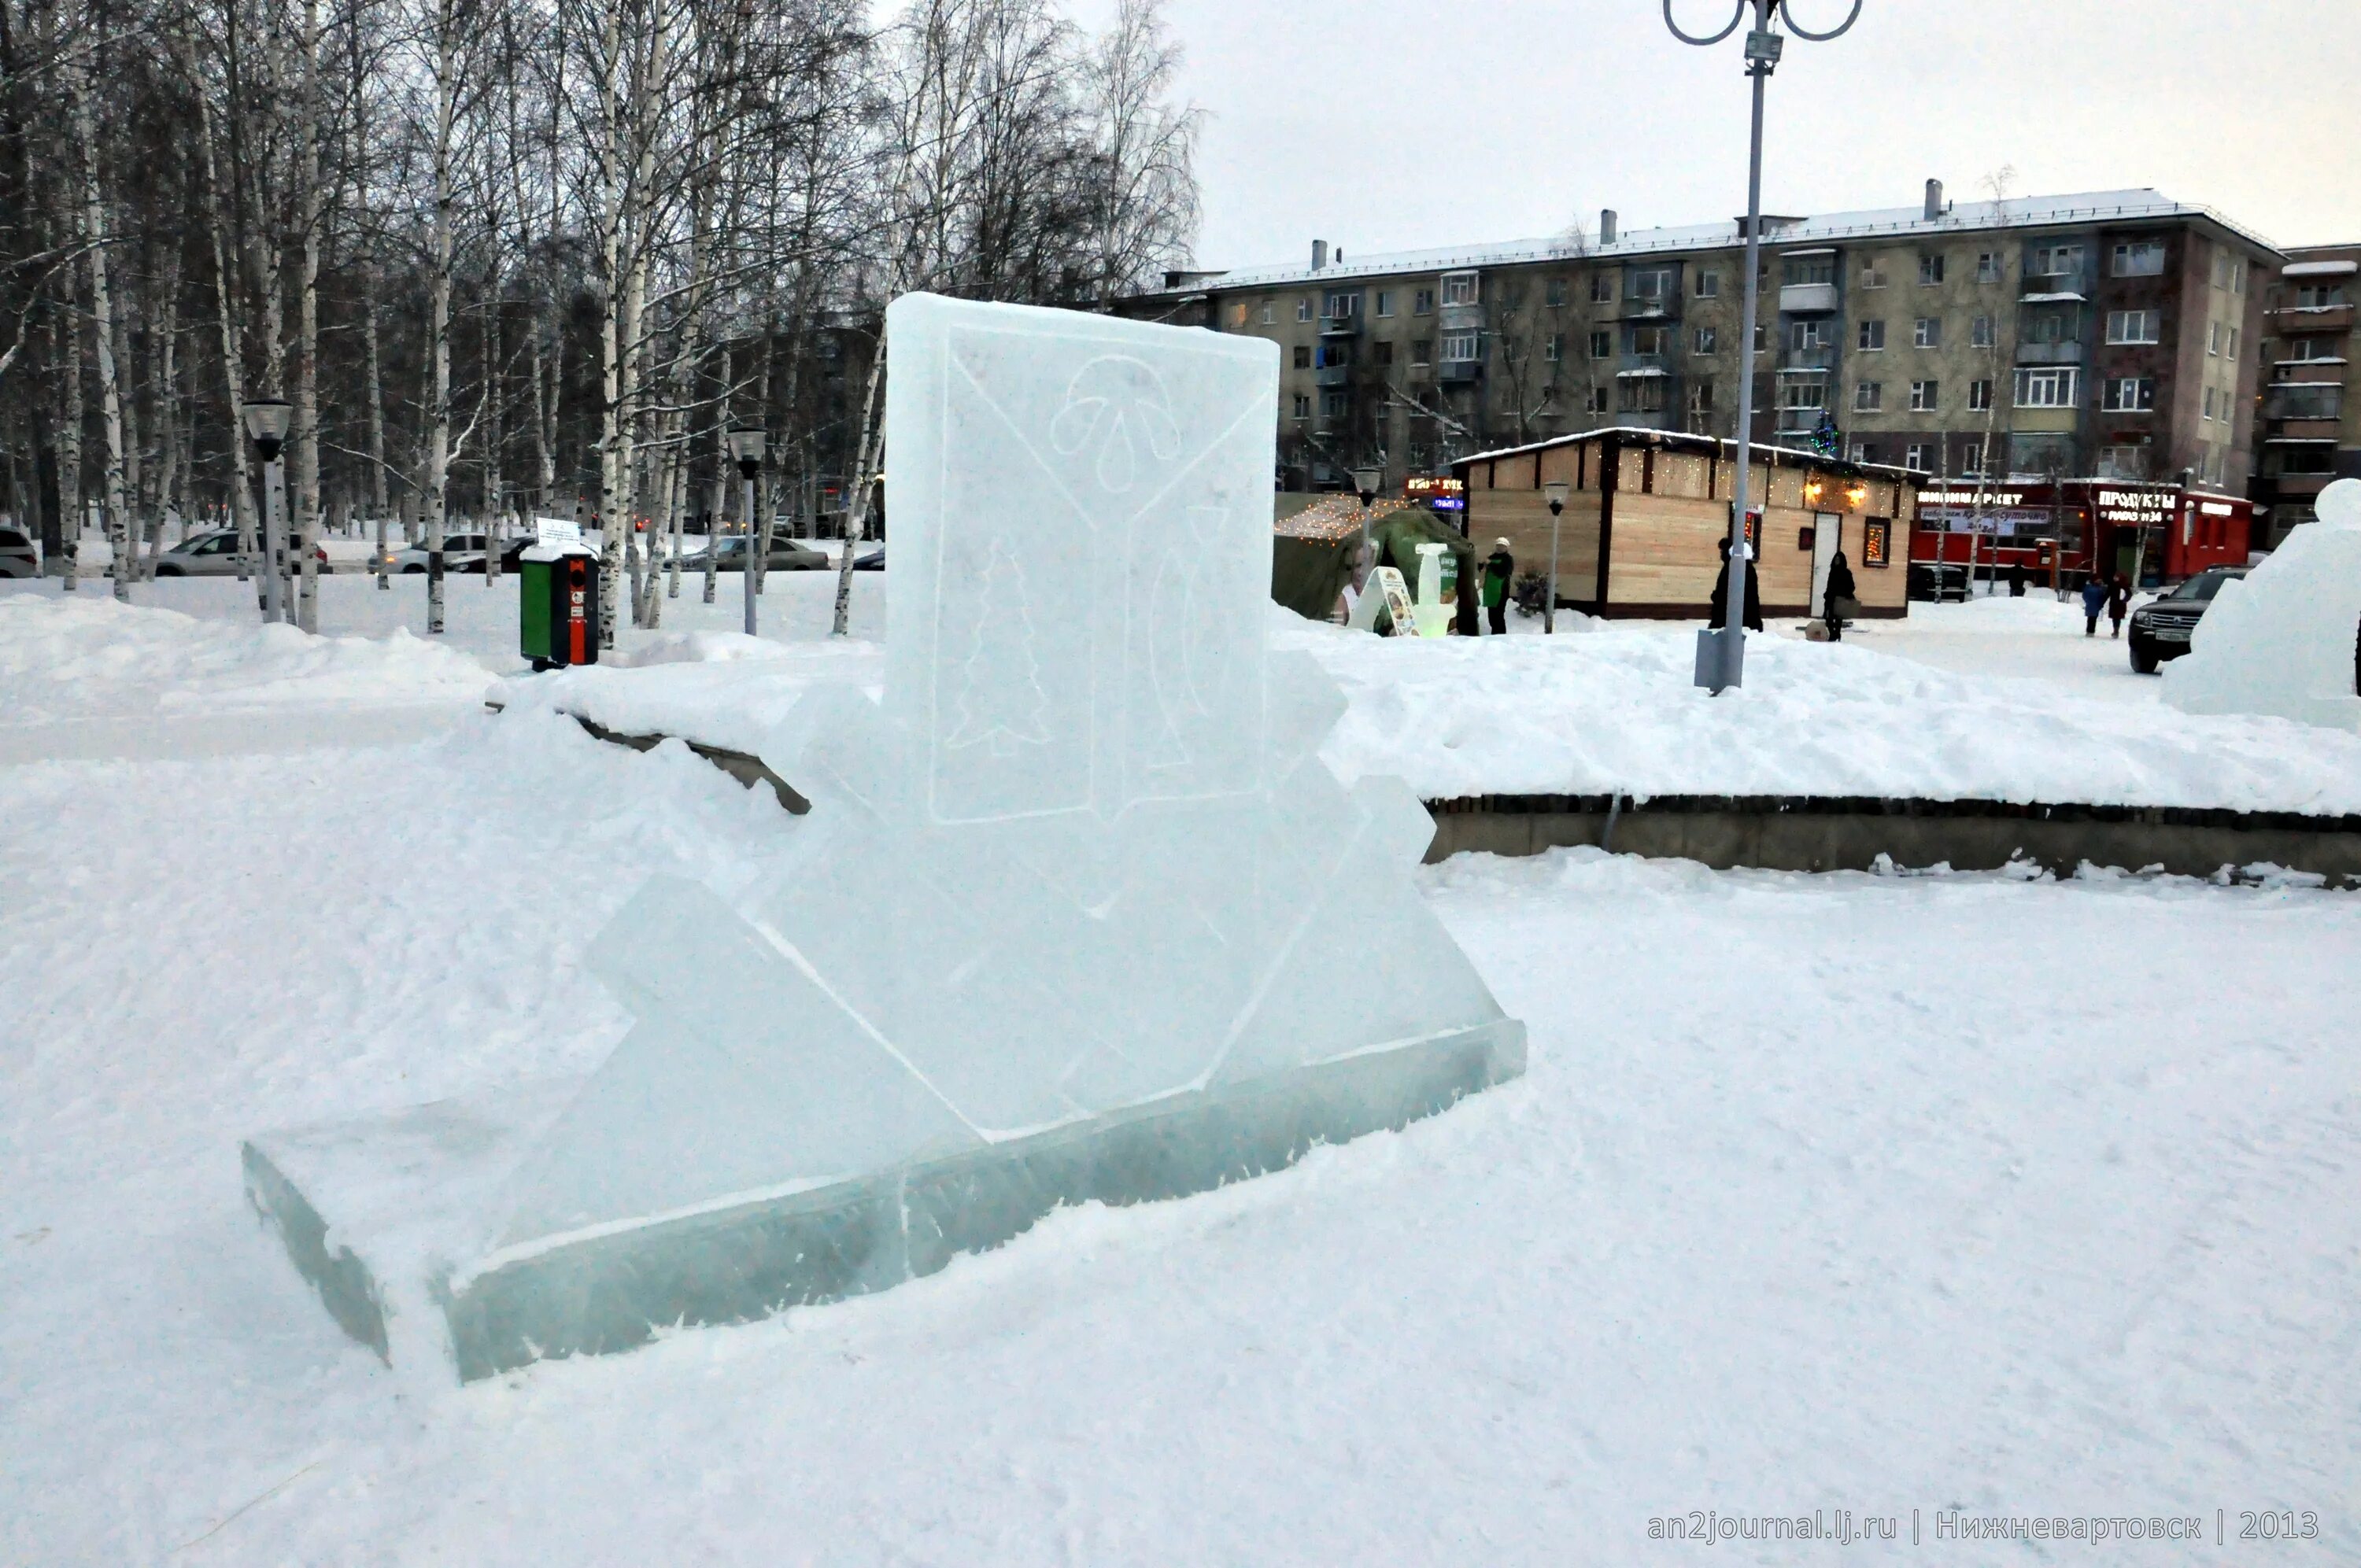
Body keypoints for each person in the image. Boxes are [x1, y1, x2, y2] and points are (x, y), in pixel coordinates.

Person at [1708, 535, 1764, 632]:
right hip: (1747, 616)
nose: (1720, 554)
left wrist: (1716, 597)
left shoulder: (1732, 567)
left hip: (1729, 615)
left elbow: (1725, 590)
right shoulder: (1749, 568)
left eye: (1722, 551)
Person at [1822, 548, 1857, 643]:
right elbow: (1829, 585)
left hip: (1841, 598)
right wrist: (1826, 594)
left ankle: (1836, 634)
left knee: (1838, 619)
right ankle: (1834, 634)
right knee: (1828, 618)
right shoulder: (1832, 572)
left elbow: (1852, 586)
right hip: (1830, 598)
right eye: (1836, 559)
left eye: (1839, 560)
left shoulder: (1847, 573)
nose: (1837, 561)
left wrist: (1845, 593)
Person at [1481, 537, 1514, 635]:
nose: (1500, 548)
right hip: (1490, 591)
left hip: (1501, 591)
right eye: (1499, 545)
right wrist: (1482, 563)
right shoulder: (1491, 557)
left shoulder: (1508, 559)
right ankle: (1494, 635)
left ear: (1506, 548)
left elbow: (1502, 572)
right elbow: (1483, 570)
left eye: (1502, 546)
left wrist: (1490, 564)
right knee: (1491, 616)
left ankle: (1500, 636)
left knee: (1499, 615)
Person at [2080, 570, 2108, 636]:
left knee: (2092, 618)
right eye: (2098, 580)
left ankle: (2090, 631)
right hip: (2093, 605)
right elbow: (2085, 595)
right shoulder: (2097, 588)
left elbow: (2085, 596)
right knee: (2092, 619)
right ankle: (2090, 631)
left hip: (2093, 605)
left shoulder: (2093, 588)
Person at [2108, 573, 2131, 639]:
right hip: (2114, 604)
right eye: (2114, 577)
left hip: (2120, 605)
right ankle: (2115, 631)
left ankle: (2116, 631)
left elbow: (2129, 594)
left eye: (2116, 577)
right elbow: (2108, 593)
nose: (2114, 578)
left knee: (2117, 618)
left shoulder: (2124, 585)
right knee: (2115, 618)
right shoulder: (2113, 584)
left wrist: (2124, 600)